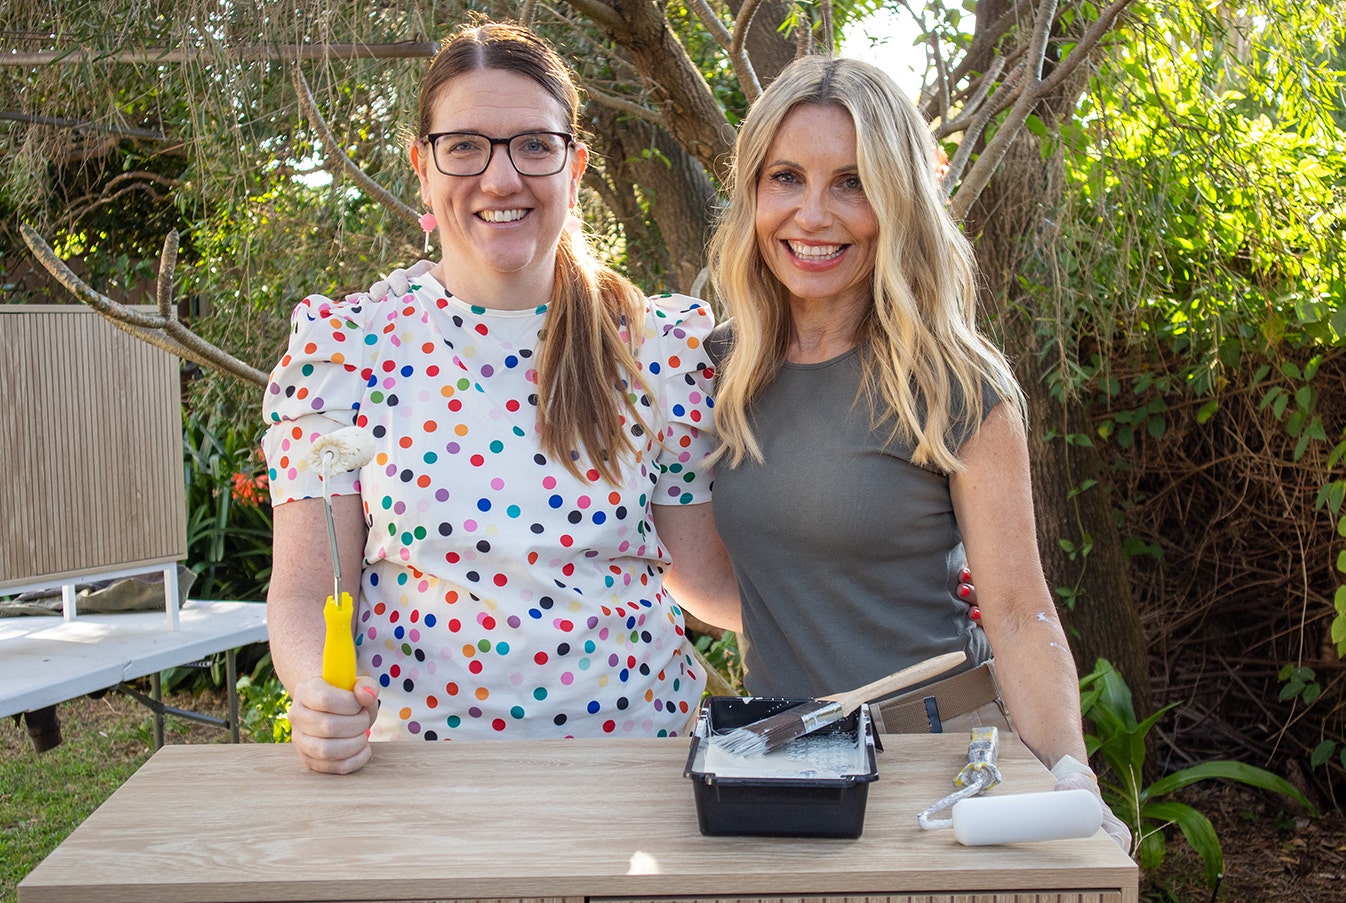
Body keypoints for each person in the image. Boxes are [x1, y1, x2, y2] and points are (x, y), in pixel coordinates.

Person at [262, 19, 737, 774]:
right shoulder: (346, 348)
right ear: (423, 165)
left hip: (638, 781)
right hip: (418, 787)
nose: (501, 178)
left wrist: (879, 597)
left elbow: (703, 579)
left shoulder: (657, 345)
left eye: (534, 145)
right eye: (465, 146)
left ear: (574, 166)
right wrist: (315, 690)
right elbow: (306, 591)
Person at [704, 56, 1130, 851]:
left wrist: (1070, 772)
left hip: (936, 751)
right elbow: (728, 578)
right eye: (786, 177)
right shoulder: (717, 370)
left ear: (898, 198)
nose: (813, 214)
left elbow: (1016, 610)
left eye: (853, 183)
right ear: (753, 193)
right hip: (782, 756)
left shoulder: (954, 383)